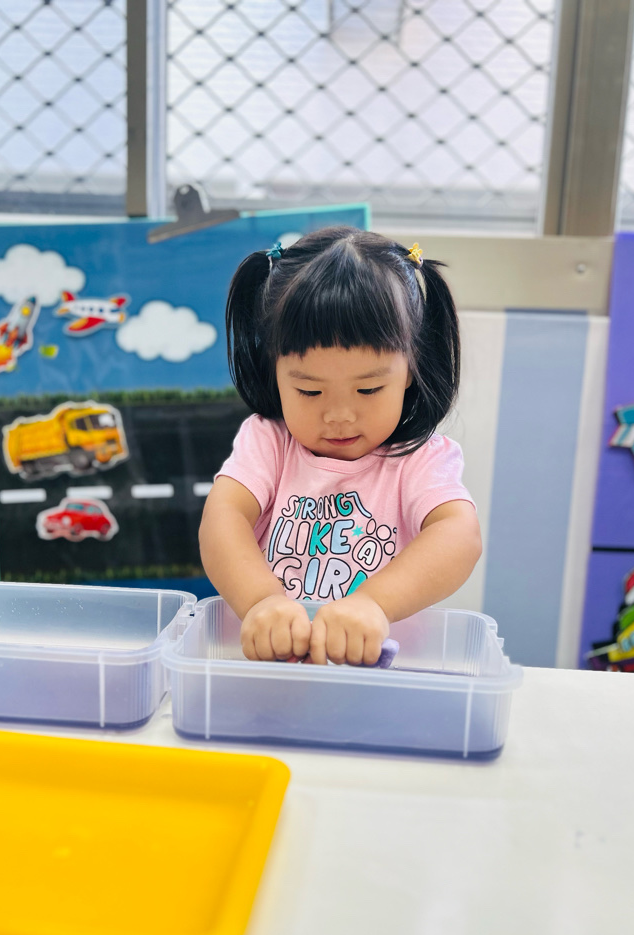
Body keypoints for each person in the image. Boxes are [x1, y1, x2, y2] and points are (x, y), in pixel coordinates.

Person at [199, 226, 481, 666]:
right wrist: (260, 600)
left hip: (378, 678)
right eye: (310, 391)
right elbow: (223, 517)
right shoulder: (269, 442)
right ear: (274, 370)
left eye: (368, 389)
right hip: (274, 675)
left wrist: (373, 603)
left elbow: (459, 534)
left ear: (411, 368)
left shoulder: (420, 460)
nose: (339, 415)